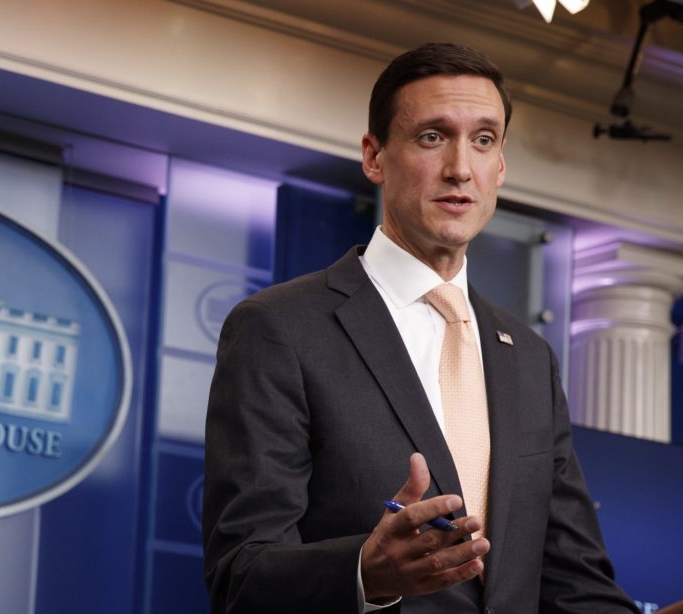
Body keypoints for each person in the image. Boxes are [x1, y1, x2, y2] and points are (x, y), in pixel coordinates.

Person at [203, 42, 638, 613]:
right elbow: (241, 576)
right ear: (374, 156)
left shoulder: (529, 357)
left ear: (500, 165)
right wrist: (366, 574)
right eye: (432, 137)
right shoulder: (279, 328)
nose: (460, 167)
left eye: (483, 140)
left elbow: (572, 583)